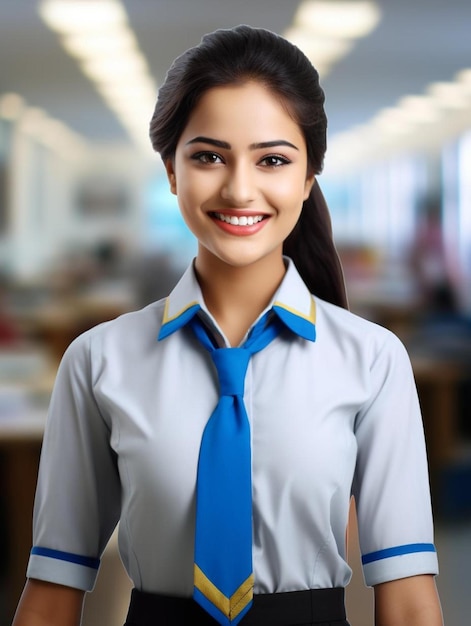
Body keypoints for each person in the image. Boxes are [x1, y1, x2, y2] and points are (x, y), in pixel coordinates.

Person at [13, 25, 443, 626]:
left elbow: (408, 599)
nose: (240, 188)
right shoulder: (98, 361)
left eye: (272, 160)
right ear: (171, 171)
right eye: (209, 156)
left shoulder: (372, 360)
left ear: (307, 179)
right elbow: (53, 591)